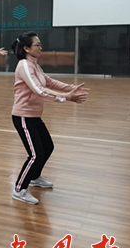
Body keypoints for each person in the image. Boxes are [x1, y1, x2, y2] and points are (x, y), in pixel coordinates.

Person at [10, 32, 89, 204]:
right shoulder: (24, 65)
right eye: (37, 44)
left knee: (47, 147)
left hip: (34, 116)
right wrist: (67, 97)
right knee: (35, 155)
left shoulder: (34, 65)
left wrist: (71, 88)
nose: (41, 47)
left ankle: (34, 177)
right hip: (23, 116)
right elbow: (39, 90)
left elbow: (49, 81)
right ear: (26, 48)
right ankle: (19, 189)